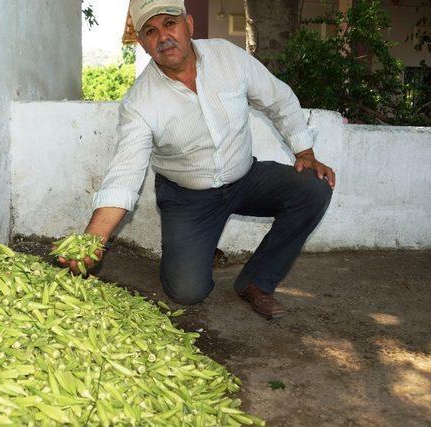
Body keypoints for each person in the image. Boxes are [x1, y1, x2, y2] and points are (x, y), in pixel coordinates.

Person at [58, 0, 335, 319]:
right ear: (144, 44)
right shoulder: (140, 103)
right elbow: (125, 174)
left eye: (169, 24)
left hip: (245, 178)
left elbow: (279, 98)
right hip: (187, 197)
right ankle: (194, 249)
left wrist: (305, 151)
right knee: (187, 292)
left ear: (188, 24)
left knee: (314, 188)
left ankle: (256, 282)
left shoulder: (227, 57)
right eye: (151, 31)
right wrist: (94, 238)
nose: (163, 36)